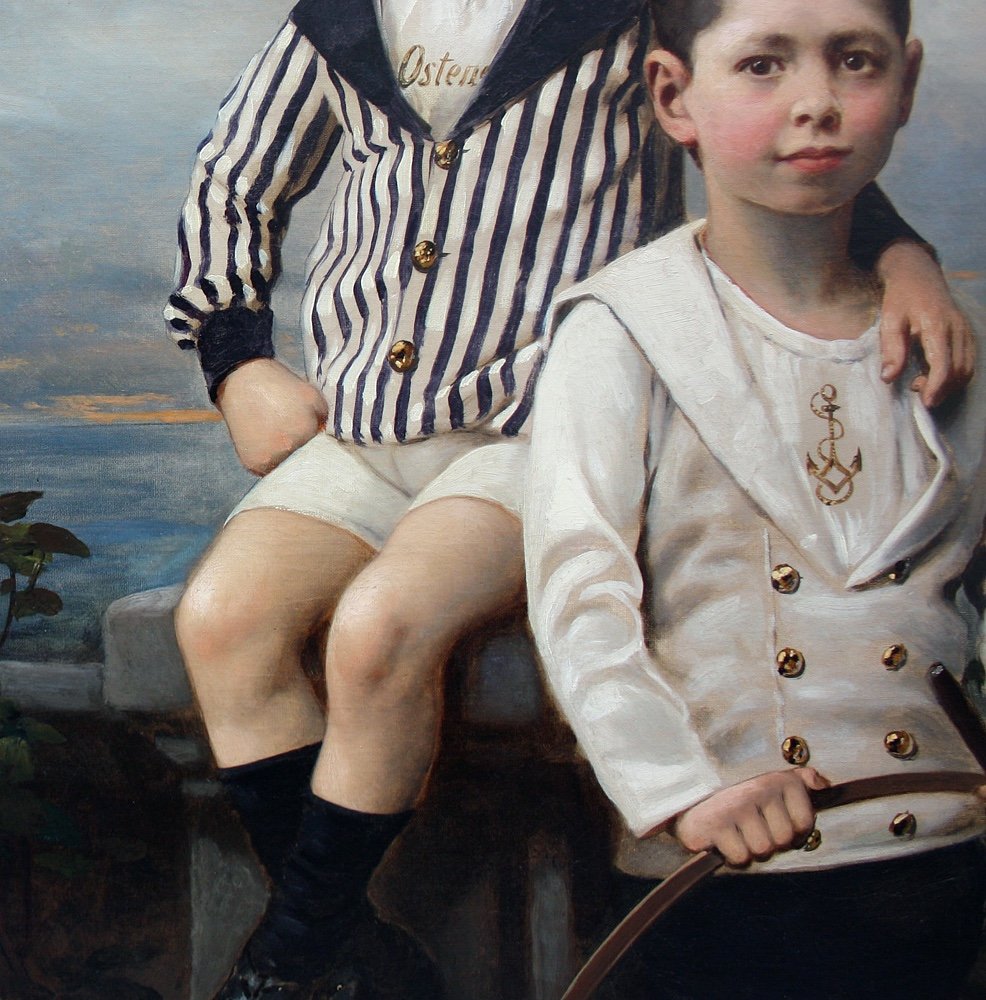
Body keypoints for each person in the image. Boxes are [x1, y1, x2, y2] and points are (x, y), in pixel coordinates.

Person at [165, 0, 974, 997]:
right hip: (364, 420)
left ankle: (286, 961)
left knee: (378, 629)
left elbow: (789, 136)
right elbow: (235, 174)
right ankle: (340, 942)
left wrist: (903, 259)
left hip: (534, 423)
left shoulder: (625, 12)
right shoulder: (342, 15)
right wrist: (235, 353)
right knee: (218, 617)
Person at [525, 1, 986, 997]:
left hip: (944, 857)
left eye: (853, 63)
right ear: (670, 96)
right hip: (719, 875)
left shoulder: (955, 344)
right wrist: (684, 793)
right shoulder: (620, 330)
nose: (815, 104)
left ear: (902, 83)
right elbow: (578, 594)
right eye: (763, 66)